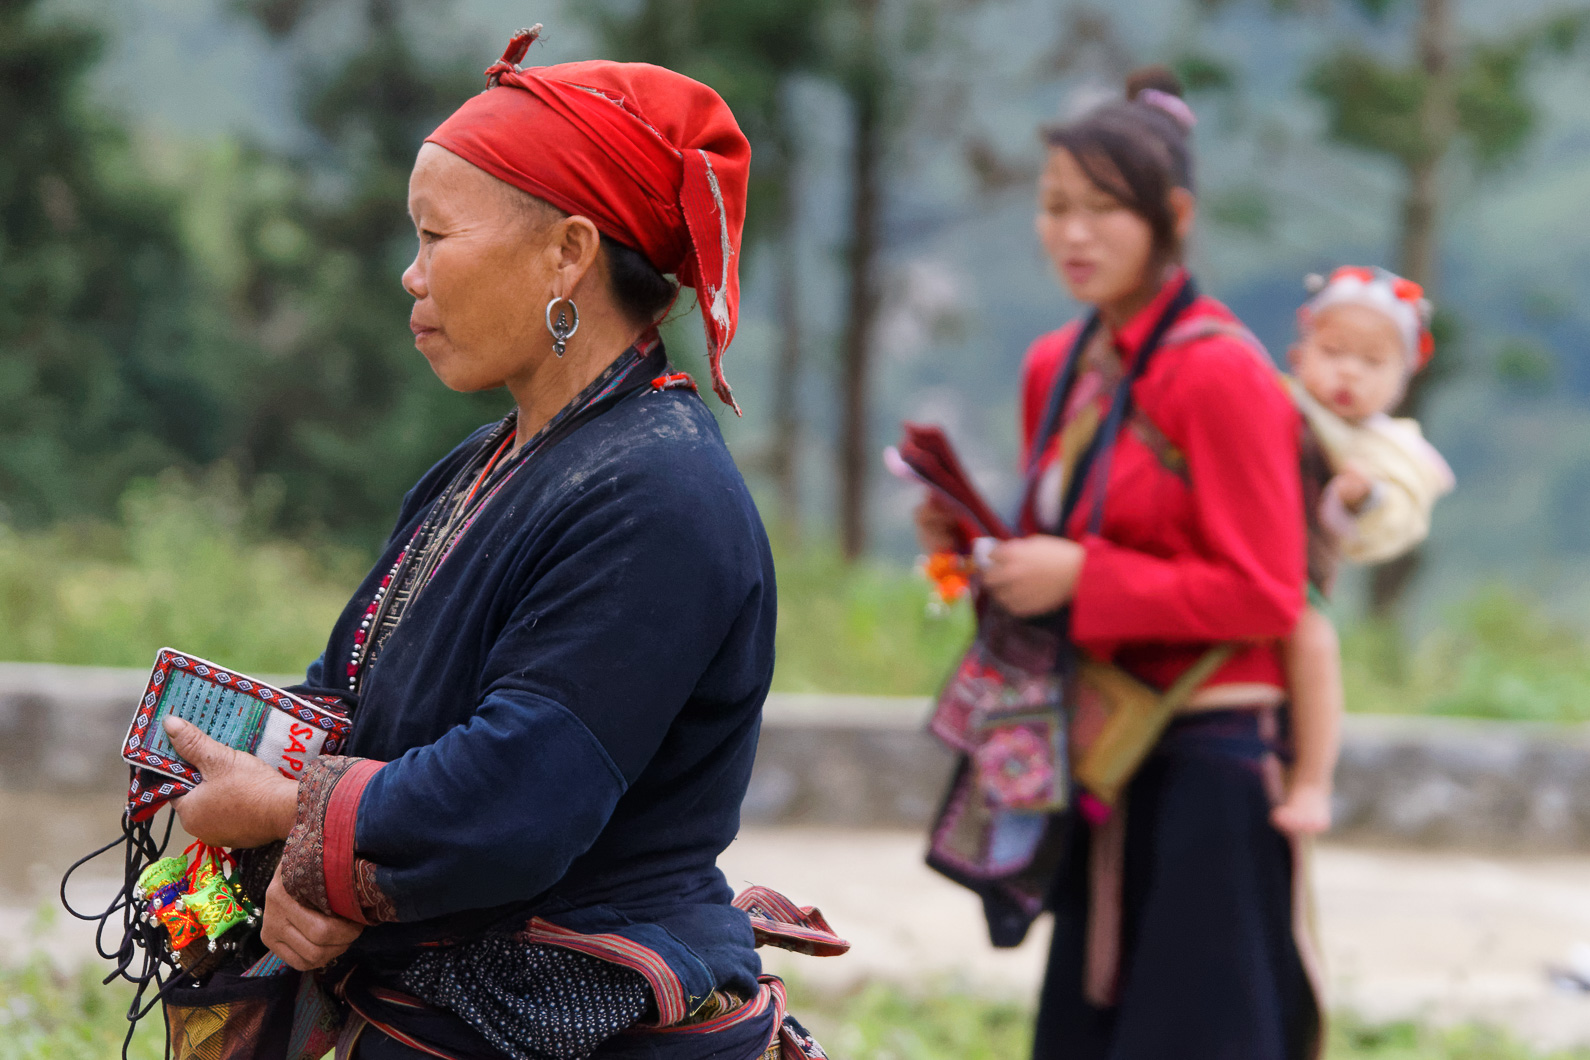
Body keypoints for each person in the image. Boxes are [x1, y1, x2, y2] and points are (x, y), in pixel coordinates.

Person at [155, 27, 830, 1060]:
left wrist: (292, 812)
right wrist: (304, 864)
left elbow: (519, 795)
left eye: (435, 237)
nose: (410, 276)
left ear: (567, 250)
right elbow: (357, 691)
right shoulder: (494, 459)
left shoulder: (660, 494)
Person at [917, 69, 1321, 1060]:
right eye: (1056, 206)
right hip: (1096, 744)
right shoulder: (1057, 365)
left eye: (1104, 209)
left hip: (1206, 761)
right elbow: (1059, 543)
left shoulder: (1219, 370)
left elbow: (1270, 591)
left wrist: (1083, 578)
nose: (1073, 234)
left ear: (1172, 216)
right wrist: (976, 553)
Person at [1273, 265, 1456, 837]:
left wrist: (1362, 497)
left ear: (1403, 378)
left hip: (1297, 579)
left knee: (1312, 639)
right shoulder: (1273, 401)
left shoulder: (1386, 451)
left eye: (1372, 362)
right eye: (1333, 351)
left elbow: (1395, 519)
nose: (1347, 370)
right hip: (1231, 557)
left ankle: (1313, 780)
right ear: (1300, 352)